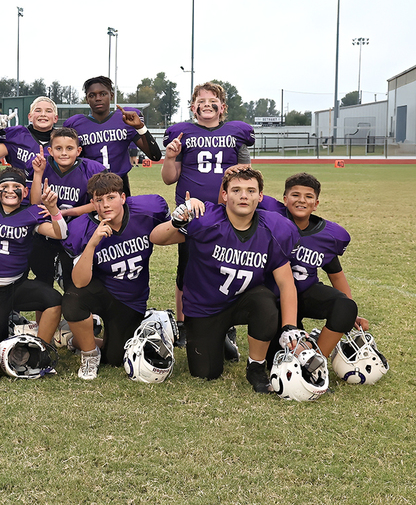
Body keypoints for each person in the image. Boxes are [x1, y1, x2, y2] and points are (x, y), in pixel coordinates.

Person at [149, 167, 303, 393]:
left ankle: (256, 367)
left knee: (265, 301)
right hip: (204, 308)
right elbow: (156, 238)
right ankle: (219, 339)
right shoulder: (206, 219)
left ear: (260, 197)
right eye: (236, 190)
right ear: (224, 195)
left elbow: (286, 283)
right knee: (205, 373)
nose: (244, 196)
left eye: (251, 191)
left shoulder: (273, 228)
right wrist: (176, 221)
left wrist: (290, 326)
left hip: (243, 301)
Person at [161, 82, 255, 348]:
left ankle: (226, 322)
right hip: (191, 211)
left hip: (228, 212)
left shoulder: (237, 133)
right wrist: (170, 157)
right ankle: (184, 322)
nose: (206, 104)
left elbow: (247, 176)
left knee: (226, 266)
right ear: (193, 107)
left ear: (222, 107)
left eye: (212, 99)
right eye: (200, 100)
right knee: (187, 268)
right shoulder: (181, 133)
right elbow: (169, 179)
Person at [61, 172, 171, 380]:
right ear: (92, 202)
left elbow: (174, 230)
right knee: (73, 298)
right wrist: (92, 244)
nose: (105, 205)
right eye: (99, 200)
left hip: (131, 299)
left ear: (123, 197)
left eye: (111, 198)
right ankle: (89, 353)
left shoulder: (147, 211)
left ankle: (77, 339)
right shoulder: (82, 228)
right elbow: (79, 281)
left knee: (114, 357)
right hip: (102, 291)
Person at [258, 172, 369, 357]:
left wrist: (350, 314)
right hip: (275, 298)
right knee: (280, 355)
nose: (301, 200)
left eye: (308, 196)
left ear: (315, 204)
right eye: (295, 195)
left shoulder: (327, 236)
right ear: (285, 199)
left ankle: (316, 360)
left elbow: (336, 274)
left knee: (345, 306)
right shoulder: (271, 218)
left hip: (306, 292)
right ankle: (306, 342)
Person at [0, 167, 67, 345]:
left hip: (16, 285)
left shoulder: (30, 213)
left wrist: (53, 210)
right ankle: (2, 324)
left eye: (16, 186)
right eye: (5, 186)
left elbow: (60, 234)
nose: (11, 190)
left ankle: (42, 348)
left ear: (25, 191)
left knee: (54, 300)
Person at [27, 128, 106, 290]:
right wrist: (38, 173)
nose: (64, 153)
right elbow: (35, 205)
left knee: (74, 286)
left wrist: (62, 212)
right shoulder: (41, 164)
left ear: (78, 151)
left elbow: (100, 204)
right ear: (50, 150)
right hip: (47, 233)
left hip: (77, 233)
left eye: (69, 148)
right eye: (58, 148)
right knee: (43, 283)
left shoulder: (91, 169)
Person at [64, 76, 162, 195]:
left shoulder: (124, 120)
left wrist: (140, 127)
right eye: (92, 95)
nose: (98, 98)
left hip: (120, 185)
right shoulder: (75, 124)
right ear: (86, 99)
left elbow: (155, 156)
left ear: (111, 96)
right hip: (88, 186)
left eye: (103, 94)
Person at [0, 95, 58, 175]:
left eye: (48, 111)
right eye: (38, 110)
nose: (43, 114)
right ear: (30, 117)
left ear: (55, 118)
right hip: (21, 186)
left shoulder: (63, 140)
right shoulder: (17, 136)